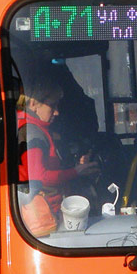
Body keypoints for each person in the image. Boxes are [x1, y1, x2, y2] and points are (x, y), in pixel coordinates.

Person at [16, 68, 99, 226]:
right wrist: (76, 171)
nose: (57, 112)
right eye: (52, 106)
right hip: (43, 216)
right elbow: (39, 177)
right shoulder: (32, 133)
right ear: (33, 104)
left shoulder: (31, 128)